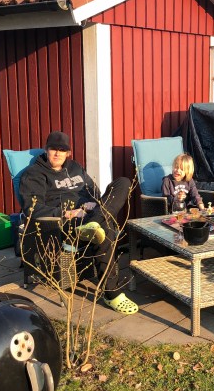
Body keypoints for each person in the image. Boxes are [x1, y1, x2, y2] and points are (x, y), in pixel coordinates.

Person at [18, 131, 138, 315]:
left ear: (68, 153)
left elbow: (94, 191)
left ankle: (96, 222)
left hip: (90, 214)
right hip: (64, 223)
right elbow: (32, 208)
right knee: (105, 231)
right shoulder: (34, 173)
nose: (57, 153)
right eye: (53, 149)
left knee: (123, 182)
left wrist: (94, 203)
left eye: (62, 150)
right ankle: (111, 293)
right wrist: (67, 213)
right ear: (46, 150)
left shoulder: (75, 167)